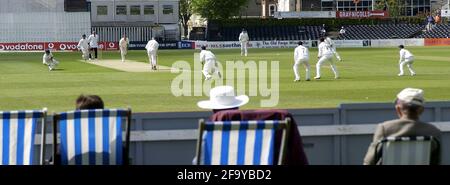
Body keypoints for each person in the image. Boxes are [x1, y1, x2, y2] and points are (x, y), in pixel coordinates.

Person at [363, 88, 441, 165]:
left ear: (398, 109)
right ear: (421, 110)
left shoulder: (385, 128)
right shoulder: (433, 132)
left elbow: (369, 161)